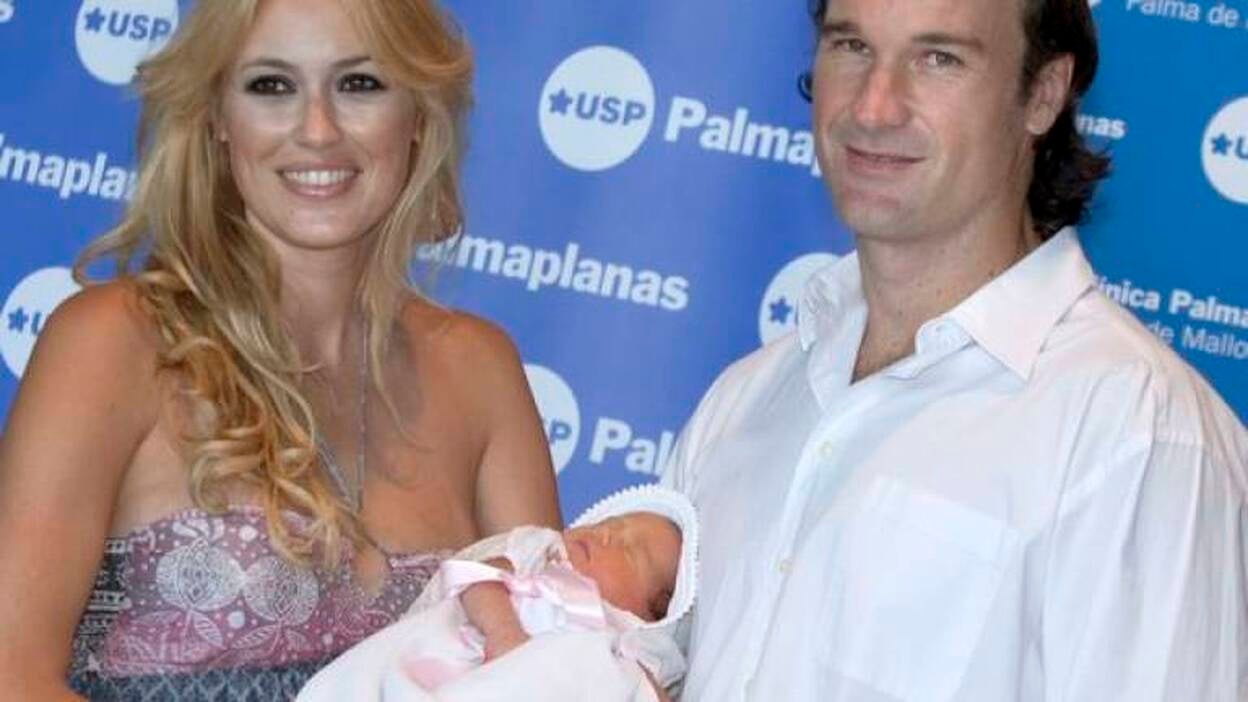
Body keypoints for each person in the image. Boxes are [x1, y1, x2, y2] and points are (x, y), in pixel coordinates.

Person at [662, 0, 1248, 700]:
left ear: (1043, 94)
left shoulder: (1139, 435)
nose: (873, 107)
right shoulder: (744, 400)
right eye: (851, 46)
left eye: (938, 58)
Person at [0, 0, 561, 699]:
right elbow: (11, 673)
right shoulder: (114, 343)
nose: (317, 130)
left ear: (418, 114)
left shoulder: (481, 370)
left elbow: (559, 667)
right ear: (216, 116)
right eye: (271, 85)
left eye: (360, 84)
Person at [297, 484, 697, 702]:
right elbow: (476, 577)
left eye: (630, 551)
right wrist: (503, 630)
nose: (606, 534)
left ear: (652, 615)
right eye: (610, 523)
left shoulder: (629, 653)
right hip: (461, 664)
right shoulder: (539, 557)